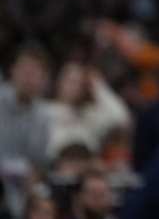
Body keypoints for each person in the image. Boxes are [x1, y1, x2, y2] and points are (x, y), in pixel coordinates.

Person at [0, 43, 52, 217]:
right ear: (12, 70)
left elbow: (38, 163)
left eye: (37, 73)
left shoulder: (42, 115)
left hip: (21, 194)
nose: (30, 77)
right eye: (26, 70)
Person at [44, 61, 131, 162]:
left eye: (79, 83)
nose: (74, 87)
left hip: (86, 169)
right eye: (70, 81)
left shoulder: (89, 114)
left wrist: (98, 84)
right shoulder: (44, 109)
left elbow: (121, 118)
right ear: (59, 81)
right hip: (54, 167)